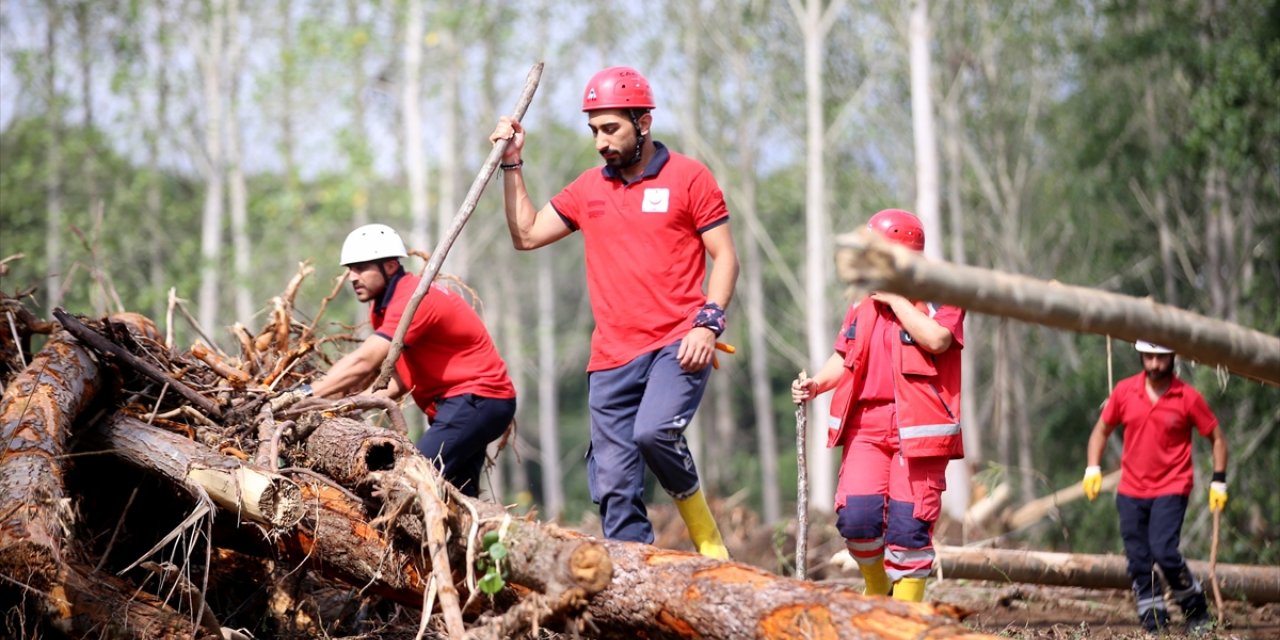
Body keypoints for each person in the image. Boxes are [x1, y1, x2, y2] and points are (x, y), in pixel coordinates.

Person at [487, 66, 738, 559]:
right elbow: (528, 235)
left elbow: (725, 256)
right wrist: (512, 164)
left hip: (678, 342)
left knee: (654, 432)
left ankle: (708, 541)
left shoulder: (690, 177)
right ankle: (631, 585)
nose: (600, 141)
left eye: (611, 128)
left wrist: (709, 323)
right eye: (594, 130)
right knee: (615, 486)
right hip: (609, 358)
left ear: (643, 121)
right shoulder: (587, 189)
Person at [791, 209, 964, 601]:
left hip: (918, 432)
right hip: (866, 428)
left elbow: (938, 340)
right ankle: (876, 588)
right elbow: (845, 356)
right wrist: (817, 384)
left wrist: (897, 301)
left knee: (908, 531)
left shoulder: (943, 292)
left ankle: (903, 623)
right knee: (857, 519)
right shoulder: (861, 301)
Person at [304, 223, 517, 498]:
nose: (351, 277)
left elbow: (365, 362)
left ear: (390, 266)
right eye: (349, 269)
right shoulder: (385, 306)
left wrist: (307, 394)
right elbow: (402, 379)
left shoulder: (414, 299)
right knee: (457, 496)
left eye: (360, 268)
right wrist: (343, 406)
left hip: (476, 400)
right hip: (469, 405)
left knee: (408, 484)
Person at [1082, 340, 1227, 633]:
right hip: (1131, 490)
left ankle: (1196, 610)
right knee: (1138, 559)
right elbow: (1101, 430)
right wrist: (1092, 467)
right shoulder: (1124, 391)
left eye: (1160, 358)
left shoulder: (1187, 396)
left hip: (1172, 486)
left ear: (1172, 357)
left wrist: (1219, 481)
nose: (1154, 365)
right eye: (1148, 357)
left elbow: (1217, 438)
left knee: (1164, 551)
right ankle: (1154, 619)